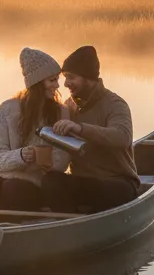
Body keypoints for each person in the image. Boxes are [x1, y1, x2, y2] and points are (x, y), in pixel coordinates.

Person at [0, 48, 71, 212]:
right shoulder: (7, 109)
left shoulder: (62, 112)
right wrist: (21, 155)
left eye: (57, 80)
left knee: (14, 188)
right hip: (3, 176)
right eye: (52, 80)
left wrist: (47, 163)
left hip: (36, 182)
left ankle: (13, 231)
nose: (57, 85)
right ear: (37, 82)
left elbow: (63, 159)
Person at [42, 45, 140, 213]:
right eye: (65, 77)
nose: (66, 84)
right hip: (84, 181)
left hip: (118, 181)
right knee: (51, 181)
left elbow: (122, 137)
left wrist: (80, 128)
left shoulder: (115, 104)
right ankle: (67, 223)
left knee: (107, 190)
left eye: (71, 77)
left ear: (88, 77)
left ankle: (83, 225)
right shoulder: (68, 106)